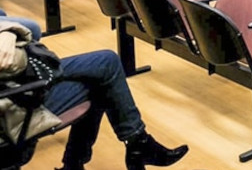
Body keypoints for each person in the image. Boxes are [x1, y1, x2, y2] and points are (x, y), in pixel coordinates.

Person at [0, 19, 189, 170]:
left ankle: (134, 144)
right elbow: (32, 32)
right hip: (12, 103)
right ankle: (136, 144)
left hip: (12, 87)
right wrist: (10, 31)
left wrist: (7, 30)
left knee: (103, 69)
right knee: (104, 70)